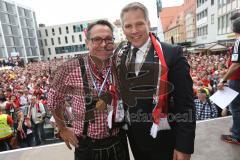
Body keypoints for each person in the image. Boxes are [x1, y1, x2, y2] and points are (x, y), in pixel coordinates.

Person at [117, 2, 195, 160]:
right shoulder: (121, 55)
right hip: (136, 140)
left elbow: (185, 104)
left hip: (165, 140)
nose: (134, 31)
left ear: (148, 23)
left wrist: (184, 146)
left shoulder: (172, 53)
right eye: (128, 26)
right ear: (123, 29)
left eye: (139, 24)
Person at [47, 20, 129, 160]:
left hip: (119, 140)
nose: (103, 44)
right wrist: (63, 129)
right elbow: (54, 100)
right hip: (88, 146)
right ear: (87, 43)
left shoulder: (121, 65)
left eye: (108, 39)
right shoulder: (70, 68)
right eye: (97, 39)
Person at [217, 13, 240, 145]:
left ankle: (236, 136)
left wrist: (223, 80)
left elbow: (236, 65)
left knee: (236, 108)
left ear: (233, 28)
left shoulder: (238, 42)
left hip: (237, 80)